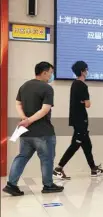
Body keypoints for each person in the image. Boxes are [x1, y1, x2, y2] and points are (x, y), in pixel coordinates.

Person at [2, 62, 64, 196]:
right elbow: (45, 109)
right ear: (44, 72)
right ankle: (48, 185)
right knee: (47, 159)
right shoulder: (47, 88)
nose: (51, 75)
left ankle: (11, 185)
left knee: (21, 157)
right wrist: (29, 120)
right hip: (43, 132)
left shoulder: (24, 86)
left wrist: (24, 118)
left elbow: (18, 103)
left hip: (26, 132)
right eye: (51, 73)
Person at [54, 61, 103, 180]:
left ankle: (93, 168)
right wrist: (85, 102)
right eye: (86, 69)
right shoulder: (82, 85)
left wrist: (83, 102)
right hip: (80, 120)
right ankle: (58, 168)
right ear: (82, 71)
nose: (87, 72)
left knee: (87, 144)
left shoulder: (74, 84)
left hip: (77, 119)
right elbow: (88, 104)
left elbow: (82, 102)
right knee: (75, 145)